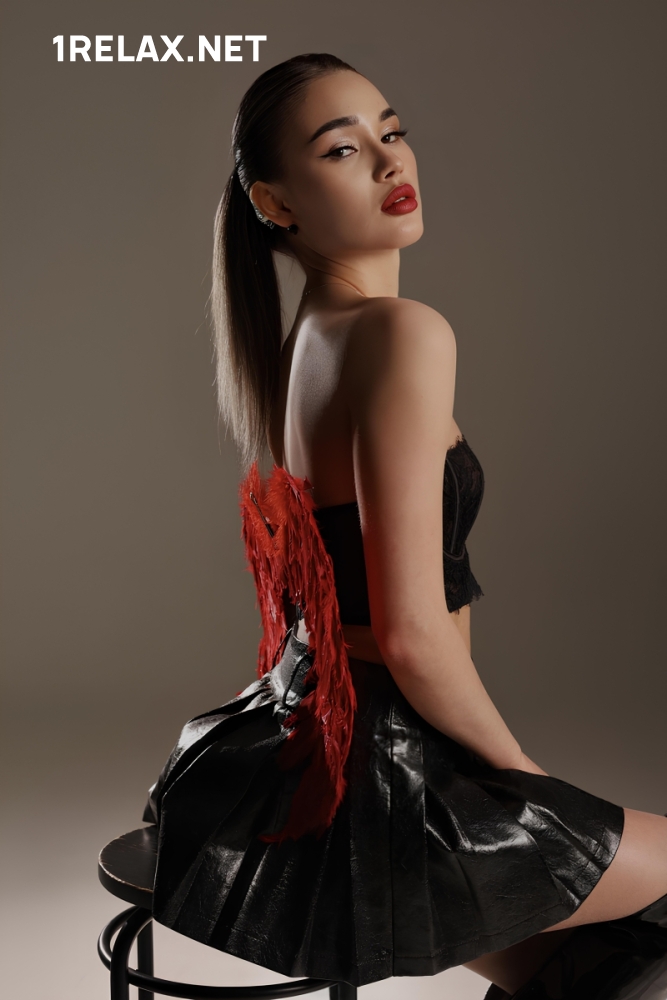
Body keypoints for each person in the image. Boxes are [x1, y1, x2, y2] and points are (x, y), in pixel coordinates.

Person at [144, 54, 667, 998]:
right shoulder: (399, 333)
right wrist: (529, 786)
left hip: (303, 746)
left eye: (391, 131)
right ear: (274, 203)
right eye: (342, 149)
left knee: (606, 967)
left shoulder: (309, 340)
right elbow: (410, 634)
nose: (391, 162)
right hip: (383, 777)